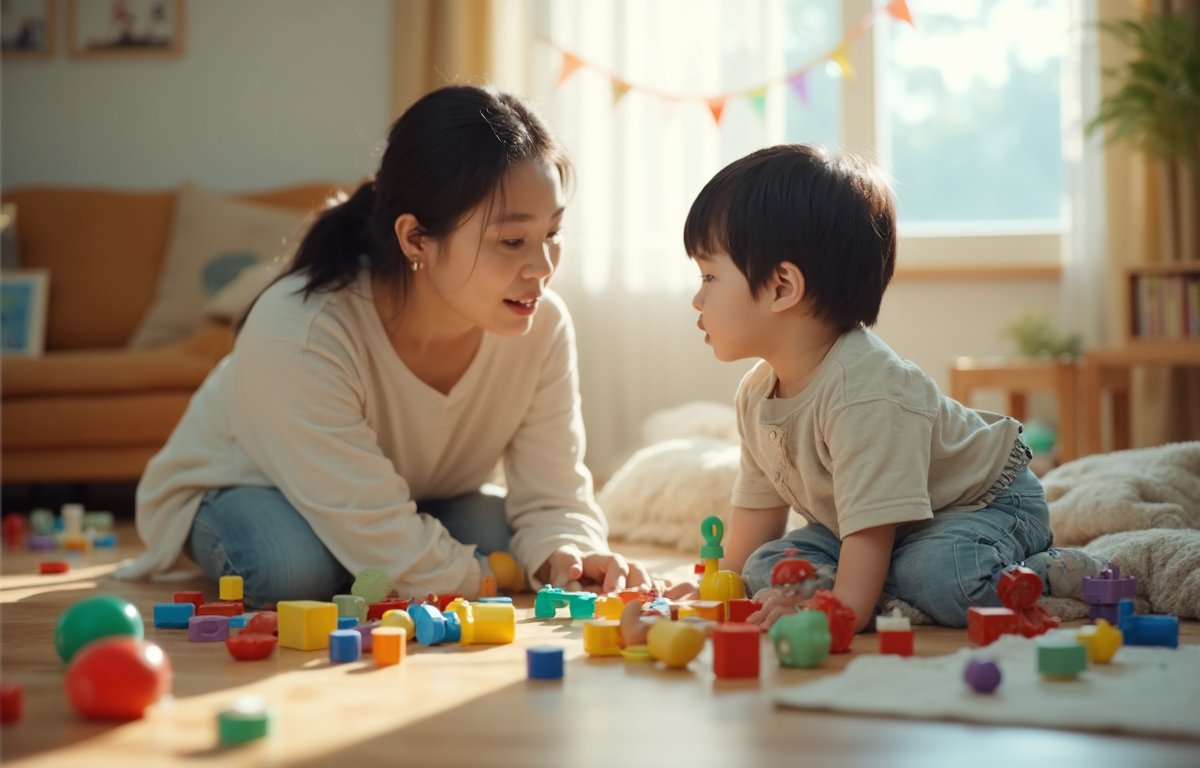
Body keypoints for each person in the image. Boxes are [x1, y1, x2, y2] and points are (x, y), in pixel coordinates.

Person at [116, 85, 651, 608]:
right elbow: (368, 510)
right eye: (512, 240)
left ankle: (374, 558)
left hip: (410, 492)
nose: (542, 267)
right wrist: (478, 579)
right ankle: (369, 557)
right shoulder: (300, 330)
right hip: (243, 485)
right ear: (417, 239)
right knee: (289, 568)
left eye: (552, 233)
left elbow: (552, 493)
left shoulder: (542, 324)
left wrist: (569, 556)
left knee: (503, 537)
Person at [682, 144, 1106, 632]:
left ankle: (1049, 572)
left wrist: (843, 609)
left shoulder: (864, 391)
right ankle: (888, 580)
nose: (697, 297)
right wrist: (717, 589)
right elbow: (758, 516)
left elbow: (869, 540)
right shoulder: (756, 394)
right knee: (766, 568)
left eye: (709, 275)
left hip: (982, 504)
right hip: (875, 527)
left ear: (782, 287)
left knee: (942, 575)